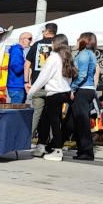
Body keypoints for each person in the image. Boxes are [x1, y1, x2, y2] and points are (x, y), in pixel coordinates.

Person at [27, 34, 77, 162]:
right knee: (49, 120)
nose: (51, 45)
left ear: (57, 43)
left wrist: (31, 92)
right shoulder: (67, 57)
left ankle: (57, 150)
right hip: (64, 93)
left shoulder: (53, 57)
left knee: (54, 123)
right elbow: (70, 77)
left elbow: (43, 77)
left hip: (54, 94)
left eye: (53, 43)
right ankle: (46, 146)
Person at [25, 23, 57, 138]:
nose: (43, 33)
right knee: (54, 116)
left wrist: (26, 82)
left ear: (47, 31)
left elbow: (27, 64)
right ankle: (54, 143)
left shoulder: (37, 45)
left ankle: (27, 140)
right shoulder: (58, 45)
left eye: (43, 31)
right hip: (53, 86)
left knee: (36, 116)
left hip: (37, 85)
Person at [70, 32, 98, 161]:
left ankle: (86, 152)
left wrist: (72, 88)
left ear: (84, 41)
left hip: (82, 89)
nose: (76, 40)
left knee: (82, 122)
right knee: (78, 121)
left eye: (79, 38)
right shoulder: (90, 54)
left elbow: (82, 75)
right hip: (88, 89)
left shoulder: (84, 55)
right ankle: (83, 150)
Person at [7, 32, 32, 103]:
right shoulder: (16, 51)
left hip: (18, 86)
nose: (31, 41)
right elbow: (17, 69)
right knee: (16, 113)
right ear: (23, 39)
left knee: (18, 112)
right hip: (16, 87)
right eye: (29, 39)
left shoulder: (19, 50)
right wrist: (27, 64)